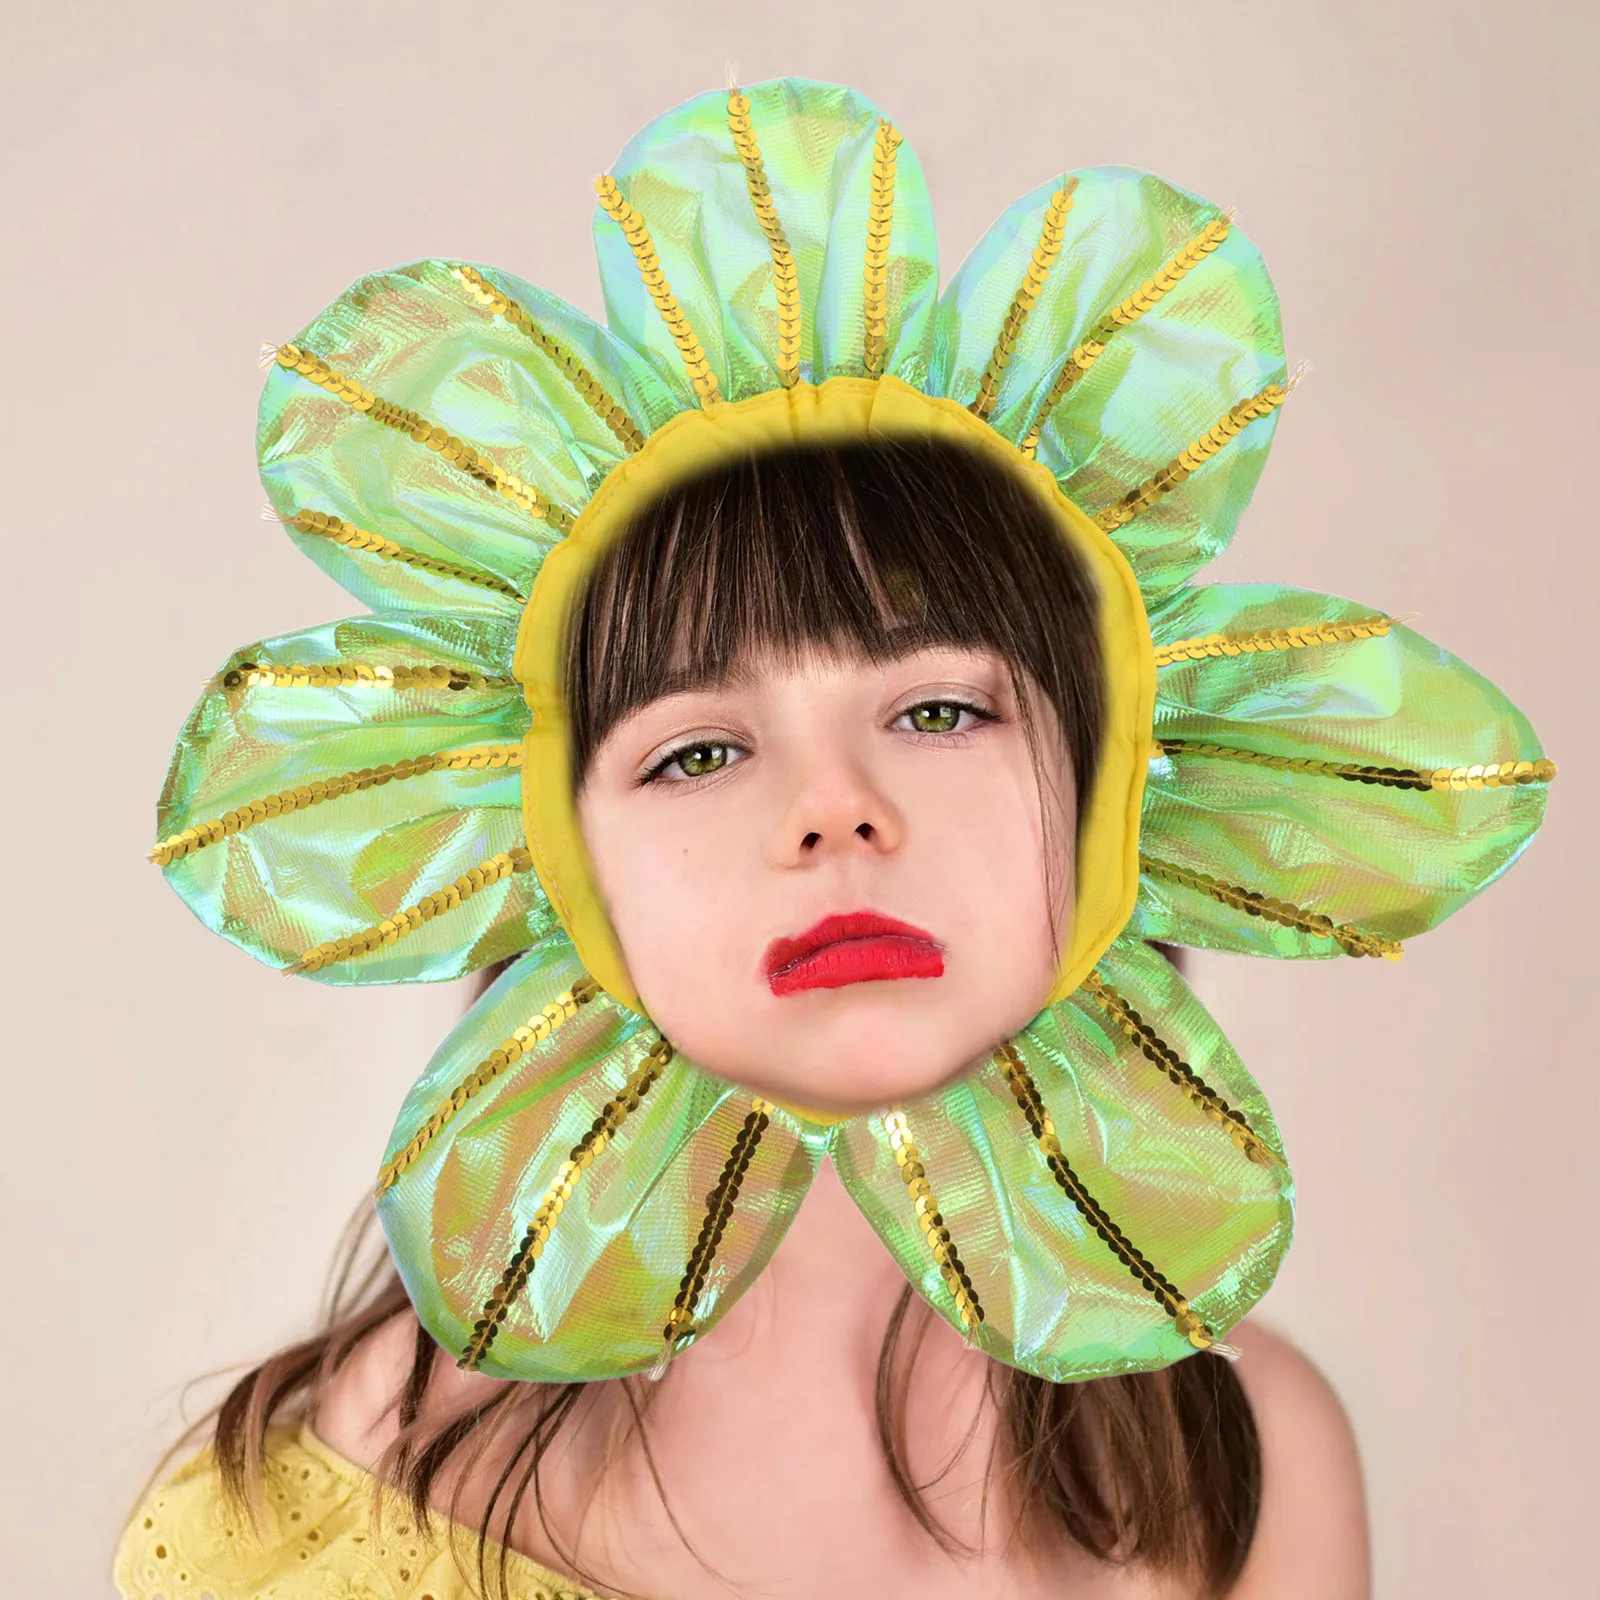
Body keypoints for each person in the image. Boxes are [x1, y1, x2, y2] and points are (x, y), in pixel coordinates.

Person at [116, 76, 1551, 1600]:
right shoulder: (325, 1497)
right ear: (542, 853)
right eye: (700, 749)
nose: (837, 811)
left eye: (938, 713)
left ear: (1127, 778)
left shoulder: (1248, 1463)